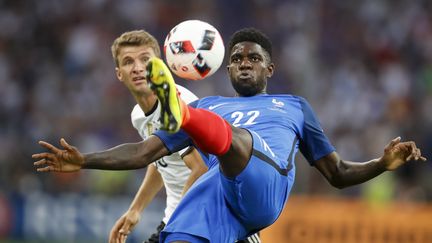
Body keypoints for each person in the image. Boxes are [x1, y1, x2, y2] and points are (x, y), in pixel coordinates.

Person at [33, 28, 427, 242]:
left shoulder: (294, 106)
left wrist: (381, 163)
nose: (243, 63)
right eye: (236, 58)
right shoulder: (211, 104)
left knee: (232, 139)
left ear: (269, 69)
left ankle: (180, 114)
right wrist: (84, 160)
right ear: (226, 68)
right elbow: (141, 152)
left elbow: (338, 173)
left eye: (253, 58)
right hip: (220, 194)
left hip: (264, 182)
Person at [98, 30, 208, 243]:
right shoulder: (138, 115)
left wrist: (178, 222)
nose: (138, 68)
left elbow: (201, 168)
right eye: (128, 62)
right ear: (119, 73)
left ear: (159, 66)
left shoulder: (179, 107)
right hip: (177, 218)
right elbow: (160, 159)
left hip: (204, 218)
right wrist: (135, 209)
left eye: (146, 60)